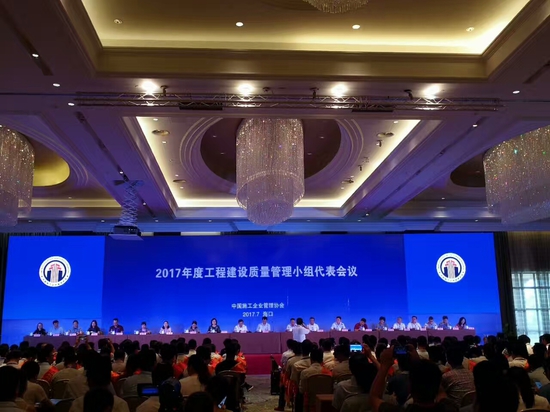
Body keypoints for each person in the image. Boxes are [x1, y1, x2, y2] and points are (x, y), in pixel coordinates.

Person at [370, 347, 457, 412]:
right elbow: (438, 386)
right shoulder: (451, 408)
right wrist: (418, 363)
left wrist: (384, 365)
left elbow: (374, 398)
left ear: (409, 387)